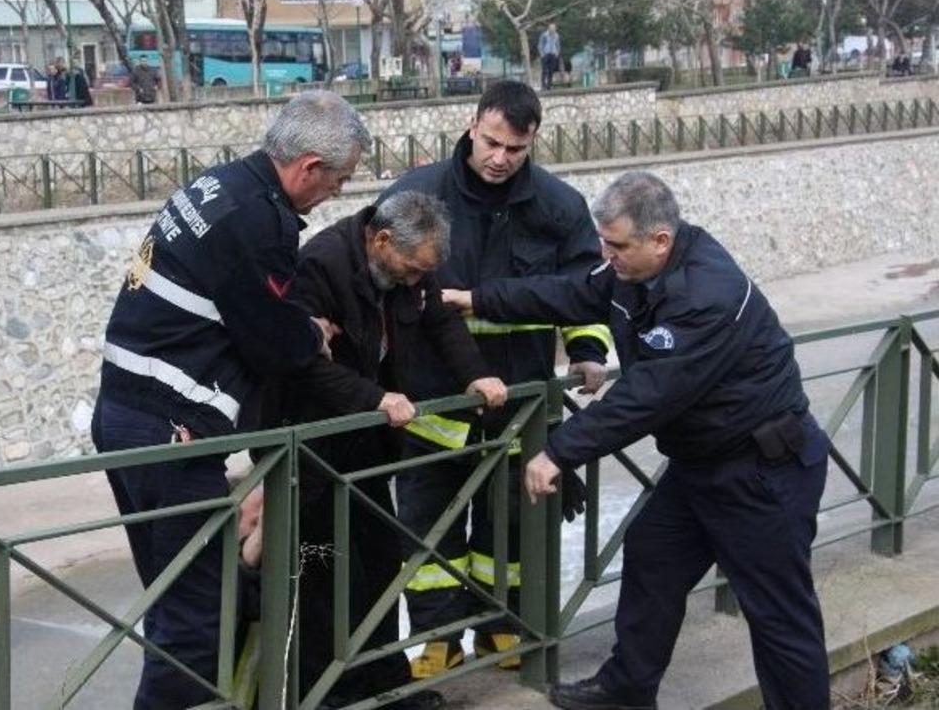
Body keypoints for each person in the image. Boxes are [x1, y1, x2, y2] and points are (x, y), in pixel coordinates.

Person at [445, 171, 831, 710]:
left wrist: (558, 451)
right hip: (701, 465)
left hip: (761, 472)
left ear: (660, 240)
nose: (606, 256)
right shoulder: (633, 268)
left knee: (778, 616)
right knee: (653, 558)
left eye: (617, 246)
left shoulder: (706, 295)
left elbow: (647, 396)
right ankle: (627, 688)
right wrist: (479, 299)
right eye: (604, 242)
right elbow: (570, 292)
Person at [91, 90, 369, 710]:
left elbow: (242, 304)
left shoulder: (220, 185)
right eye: (340, 179)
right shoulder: (260, 223)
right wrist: (310, 335)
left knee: (174, 604)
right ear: (310, 167)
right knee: (197, 623)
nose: (338, 193)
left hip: (123, 412)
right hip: (170, 430)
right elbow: (272, 342)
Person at [377, 80, 610, 679]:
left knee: (507, 530)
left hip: (520, 403)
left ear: (533, 142)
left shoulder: (558, 207)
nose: (501, 158)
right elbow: (376, 280)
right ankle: (437, 640)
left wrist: (586, 350)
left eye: (515, 148)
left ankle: (500, 625)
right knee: (429, 531)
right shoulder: (417, 194)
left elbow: (586, 290)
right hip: (433, 402)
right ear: (472, 124)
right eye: (492, 142)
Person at [261, 191, 508, 709]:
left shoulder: (410, 267)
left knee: (378, 569)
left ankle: (383, 686)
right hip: (312, 448)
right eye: (412, 269)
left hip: (367, 448)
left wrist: (476, 374)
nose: (417, 281)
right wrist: (374, 397)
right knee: (324, 577)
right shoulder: (323, 264)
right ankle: (327, 696)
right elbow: (300, 364)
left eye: (424, 273)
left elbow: (439, 320)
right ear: (382, 240)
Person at [538, 23, 562, 90]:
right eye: (551, 28)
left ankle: (549, 85)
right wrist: (542, 54)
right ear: (548, 28)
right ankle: (543, 85)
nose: (552, 29)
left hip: (553, 54)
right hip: (546, 54)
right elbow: (540, 45)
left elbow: (558, 45)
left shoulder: (556, 35)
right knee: (544, 70)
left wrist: (557, 53)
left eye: (554, 28)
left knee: (551, 71)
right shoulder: (544, 35)